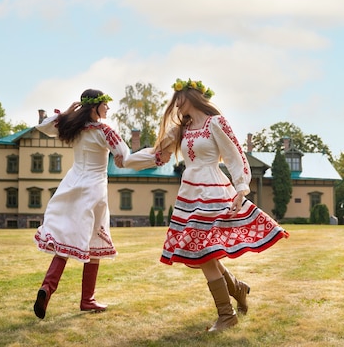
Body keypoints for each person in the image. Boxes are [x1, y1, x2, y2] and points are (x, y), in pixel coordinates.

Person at [116, 78, 289, 332]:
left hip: (213, 190)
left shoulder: (215, 123)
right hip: (190, 191)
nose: (175, 105)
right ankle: (237, 289)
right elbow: (158, 155)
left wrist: (241, 188)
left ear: (190, 97)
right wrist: (127, 161)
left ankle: (227, 315)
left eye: (178, 99)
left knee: (204, 253)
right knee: (204, 252)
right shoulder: (181, 129)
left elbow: (235, 155)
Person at [33, 89, 171, 319]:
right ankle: (87, 299)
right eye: (105, 104)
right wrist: (155, 157)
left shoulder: (72, 128)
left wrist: (65, 114)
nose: (108, 108)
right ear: (94, 107)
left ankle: (48, 288)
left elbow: (44, 127)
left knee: (65, 240)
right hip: (93, 189)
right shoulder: (105, 131)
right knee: (95, 239)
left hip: (71, 185)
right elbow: (126, 159)